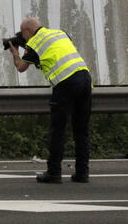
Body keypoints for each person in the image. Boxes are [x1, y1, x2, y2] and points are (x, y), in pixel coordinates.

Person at [7, 17, 92, 183]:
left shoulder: (34, 43)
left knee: (57, 129)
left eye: (23, 34)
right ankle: (82, 173)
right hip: (85, 78)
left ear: (28, 31)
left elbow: (21, 67)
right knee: (81, 129)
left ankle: (54, 172)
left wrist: (16, 53)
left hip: (65, 83)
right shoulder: (60, 33)